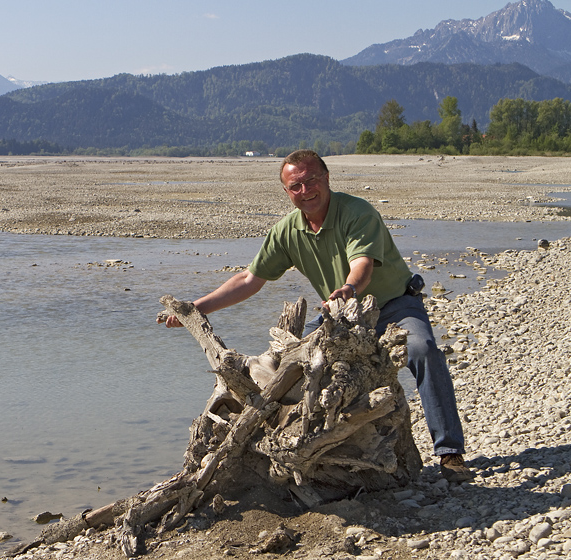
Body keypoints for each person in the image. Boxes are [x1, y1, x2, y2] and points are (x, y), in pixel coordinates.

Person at [159, 149, 473, 483]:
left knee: (423, 351)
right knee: (279, 363)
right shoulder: (287, 231)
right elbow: (249, 280)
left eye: (311, 180)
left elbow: (362, 265)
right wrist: (195, 309)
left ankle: (450, 452)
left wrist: (349, 289)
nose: (306, 190)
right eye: (296, 186)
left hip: (393, 305)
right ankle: (287, 451)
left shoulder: (356, 212)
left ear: (326, 178)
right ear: (287, 191)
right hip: (336, 316)